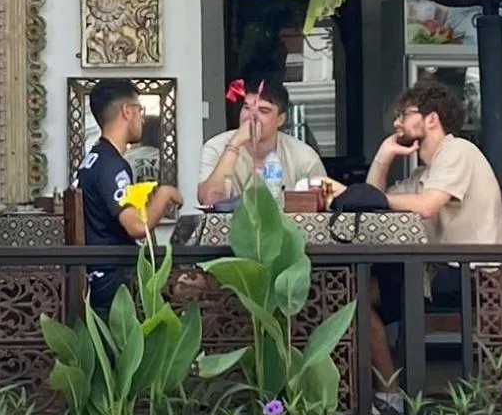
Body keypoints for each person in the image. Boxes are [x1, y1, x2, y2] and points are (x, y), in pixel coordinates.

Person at [337, 80, 502, 412]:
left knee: (353, 295)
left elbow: (427, 205)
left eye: (404, 114)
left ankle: (390, 395)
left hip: (471, 272)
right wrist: (384, 156)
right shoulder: (427, 170)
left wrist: (373, 199)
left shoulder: (457, 151)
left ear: (432, 119)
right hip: (438, 268)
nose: (397, 122)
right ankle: (389, 393)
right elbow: (374, 205)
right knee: (352, 293)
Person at [73, 79, 183, 312]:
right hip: (113, 284)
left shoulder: (93, 159)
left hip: (98, 276)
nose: (142, 118)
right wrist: (164, 194)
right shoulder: (111, 165)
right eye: (140, 110)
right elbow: (136, 226)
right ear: (127, 111)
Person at [197, 78, 326, 206]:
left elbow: (322, 208)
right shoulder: (216, 147)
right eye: (247, 108)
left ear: (280, 119)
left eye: (264, 111)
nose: (252, 116)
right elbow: (209, 200)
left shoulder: (305, 157)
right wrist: (234, 144)